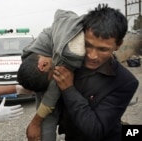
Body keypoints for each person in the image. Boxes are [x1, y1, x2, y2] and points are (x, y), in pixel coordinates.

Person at [19, 4, 139, 141]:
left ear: (118, 45)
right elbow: (48, 101)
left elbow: (95, 131)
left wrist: (69, 89)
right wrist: (36, 122)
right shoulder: (67, 63)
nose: (92, 55)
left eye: (103, 49)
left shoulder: (125, 82)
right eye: (87, 45)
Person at [17, 7, 85, 141]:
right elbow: (46, 101)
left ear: (43, 65)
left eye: (52, 75)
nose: (54, 75)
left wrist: (35, 122)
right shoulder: (30, 55)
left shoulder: (68, 50)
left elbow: (51, 95)